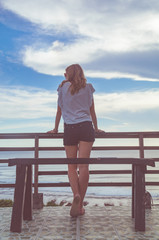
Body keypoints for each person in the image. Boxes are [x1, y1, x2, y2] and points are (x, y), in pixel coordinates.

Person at [48, 64, 103, 217]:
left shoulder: (62, 88)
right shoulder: (88, 87)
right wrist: (96, 128)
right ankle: (80, 206)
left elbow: (59, 110)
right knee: (83, 167)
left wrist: (55, 129)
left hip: (70, 128)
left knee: (71, 167)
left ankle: (76, 195)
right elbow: (92, 110)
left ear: (68, 74)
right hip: (86, 127)